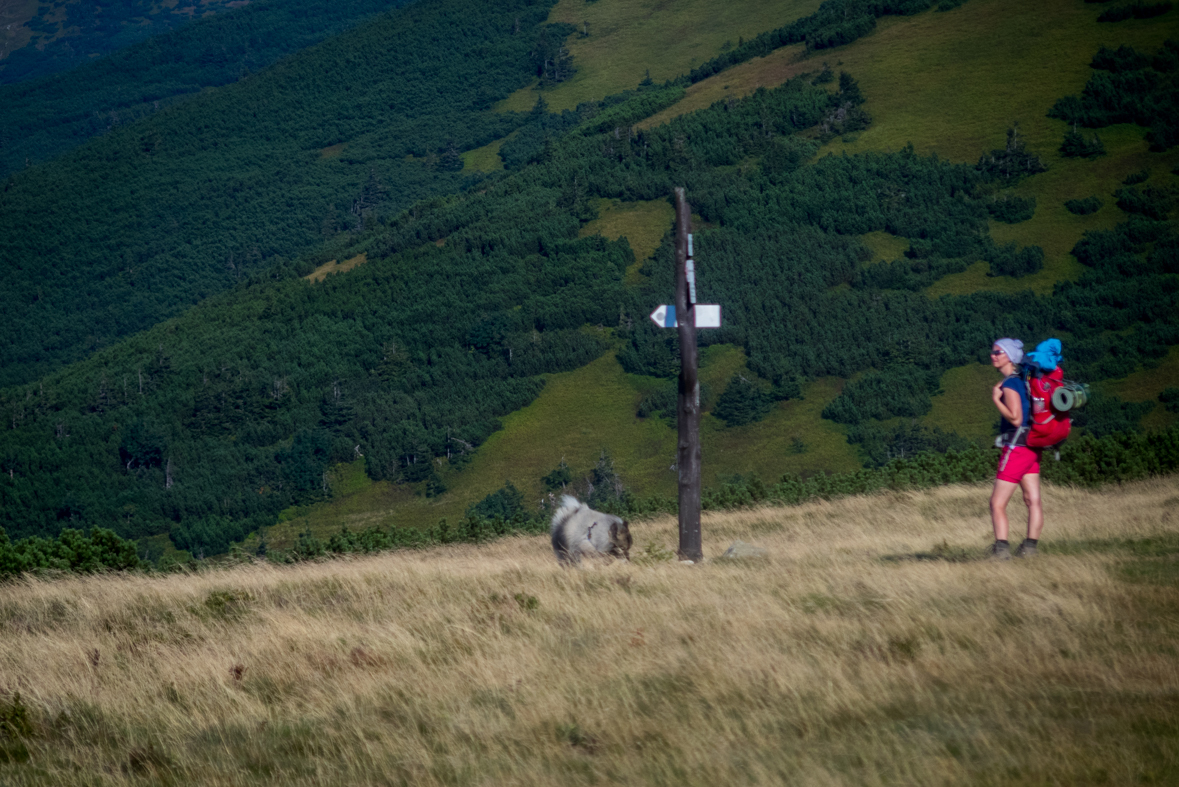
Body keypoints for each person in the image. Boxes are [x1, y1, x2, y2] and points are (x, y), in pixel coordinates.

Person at [988, 338, 1042, 560]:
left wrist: (996, 399)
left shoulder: (1010, 384)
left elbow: (1016, 418)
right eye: (992, 352)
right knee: (1032, 499)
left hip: (1016, 446)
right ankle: (1030, 548)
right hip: (1032, 446)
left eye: (997, 352)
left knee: (997, 503)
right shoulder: (1024, 380)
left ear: (1008, 356)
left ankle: (1001, 550)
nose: (992, 355)